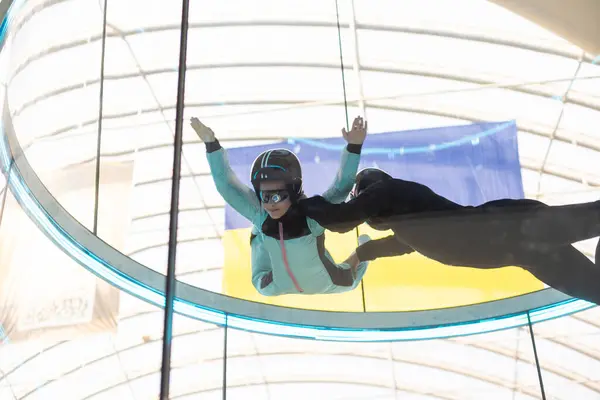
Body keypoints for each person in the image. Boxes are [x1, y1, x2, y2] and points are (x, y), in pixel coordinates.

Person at [298, 167, 600, 304]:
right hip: (523, 248)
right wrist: (359, 255)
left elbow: (340, 220)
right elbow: (398, 246)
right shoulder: (408, 223)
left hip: (514, 225)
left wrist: (300, 205)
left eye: (357, 198)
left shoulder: (389, 192)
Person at [190, 115, 369, 296]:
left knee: (350, 279)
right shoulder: (262, 215)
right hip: (278, 283)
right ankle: (258, 233)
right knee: (261, 276)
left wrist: (354, 147)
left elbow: (341, 188)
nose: (270, 204)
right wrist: (211, 144)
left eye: (277, 196)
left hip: (322, 282)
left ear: (293, 191)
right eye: (264, 196)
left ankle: (364, 249)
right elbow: (227, 187)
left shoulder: (312, 216)